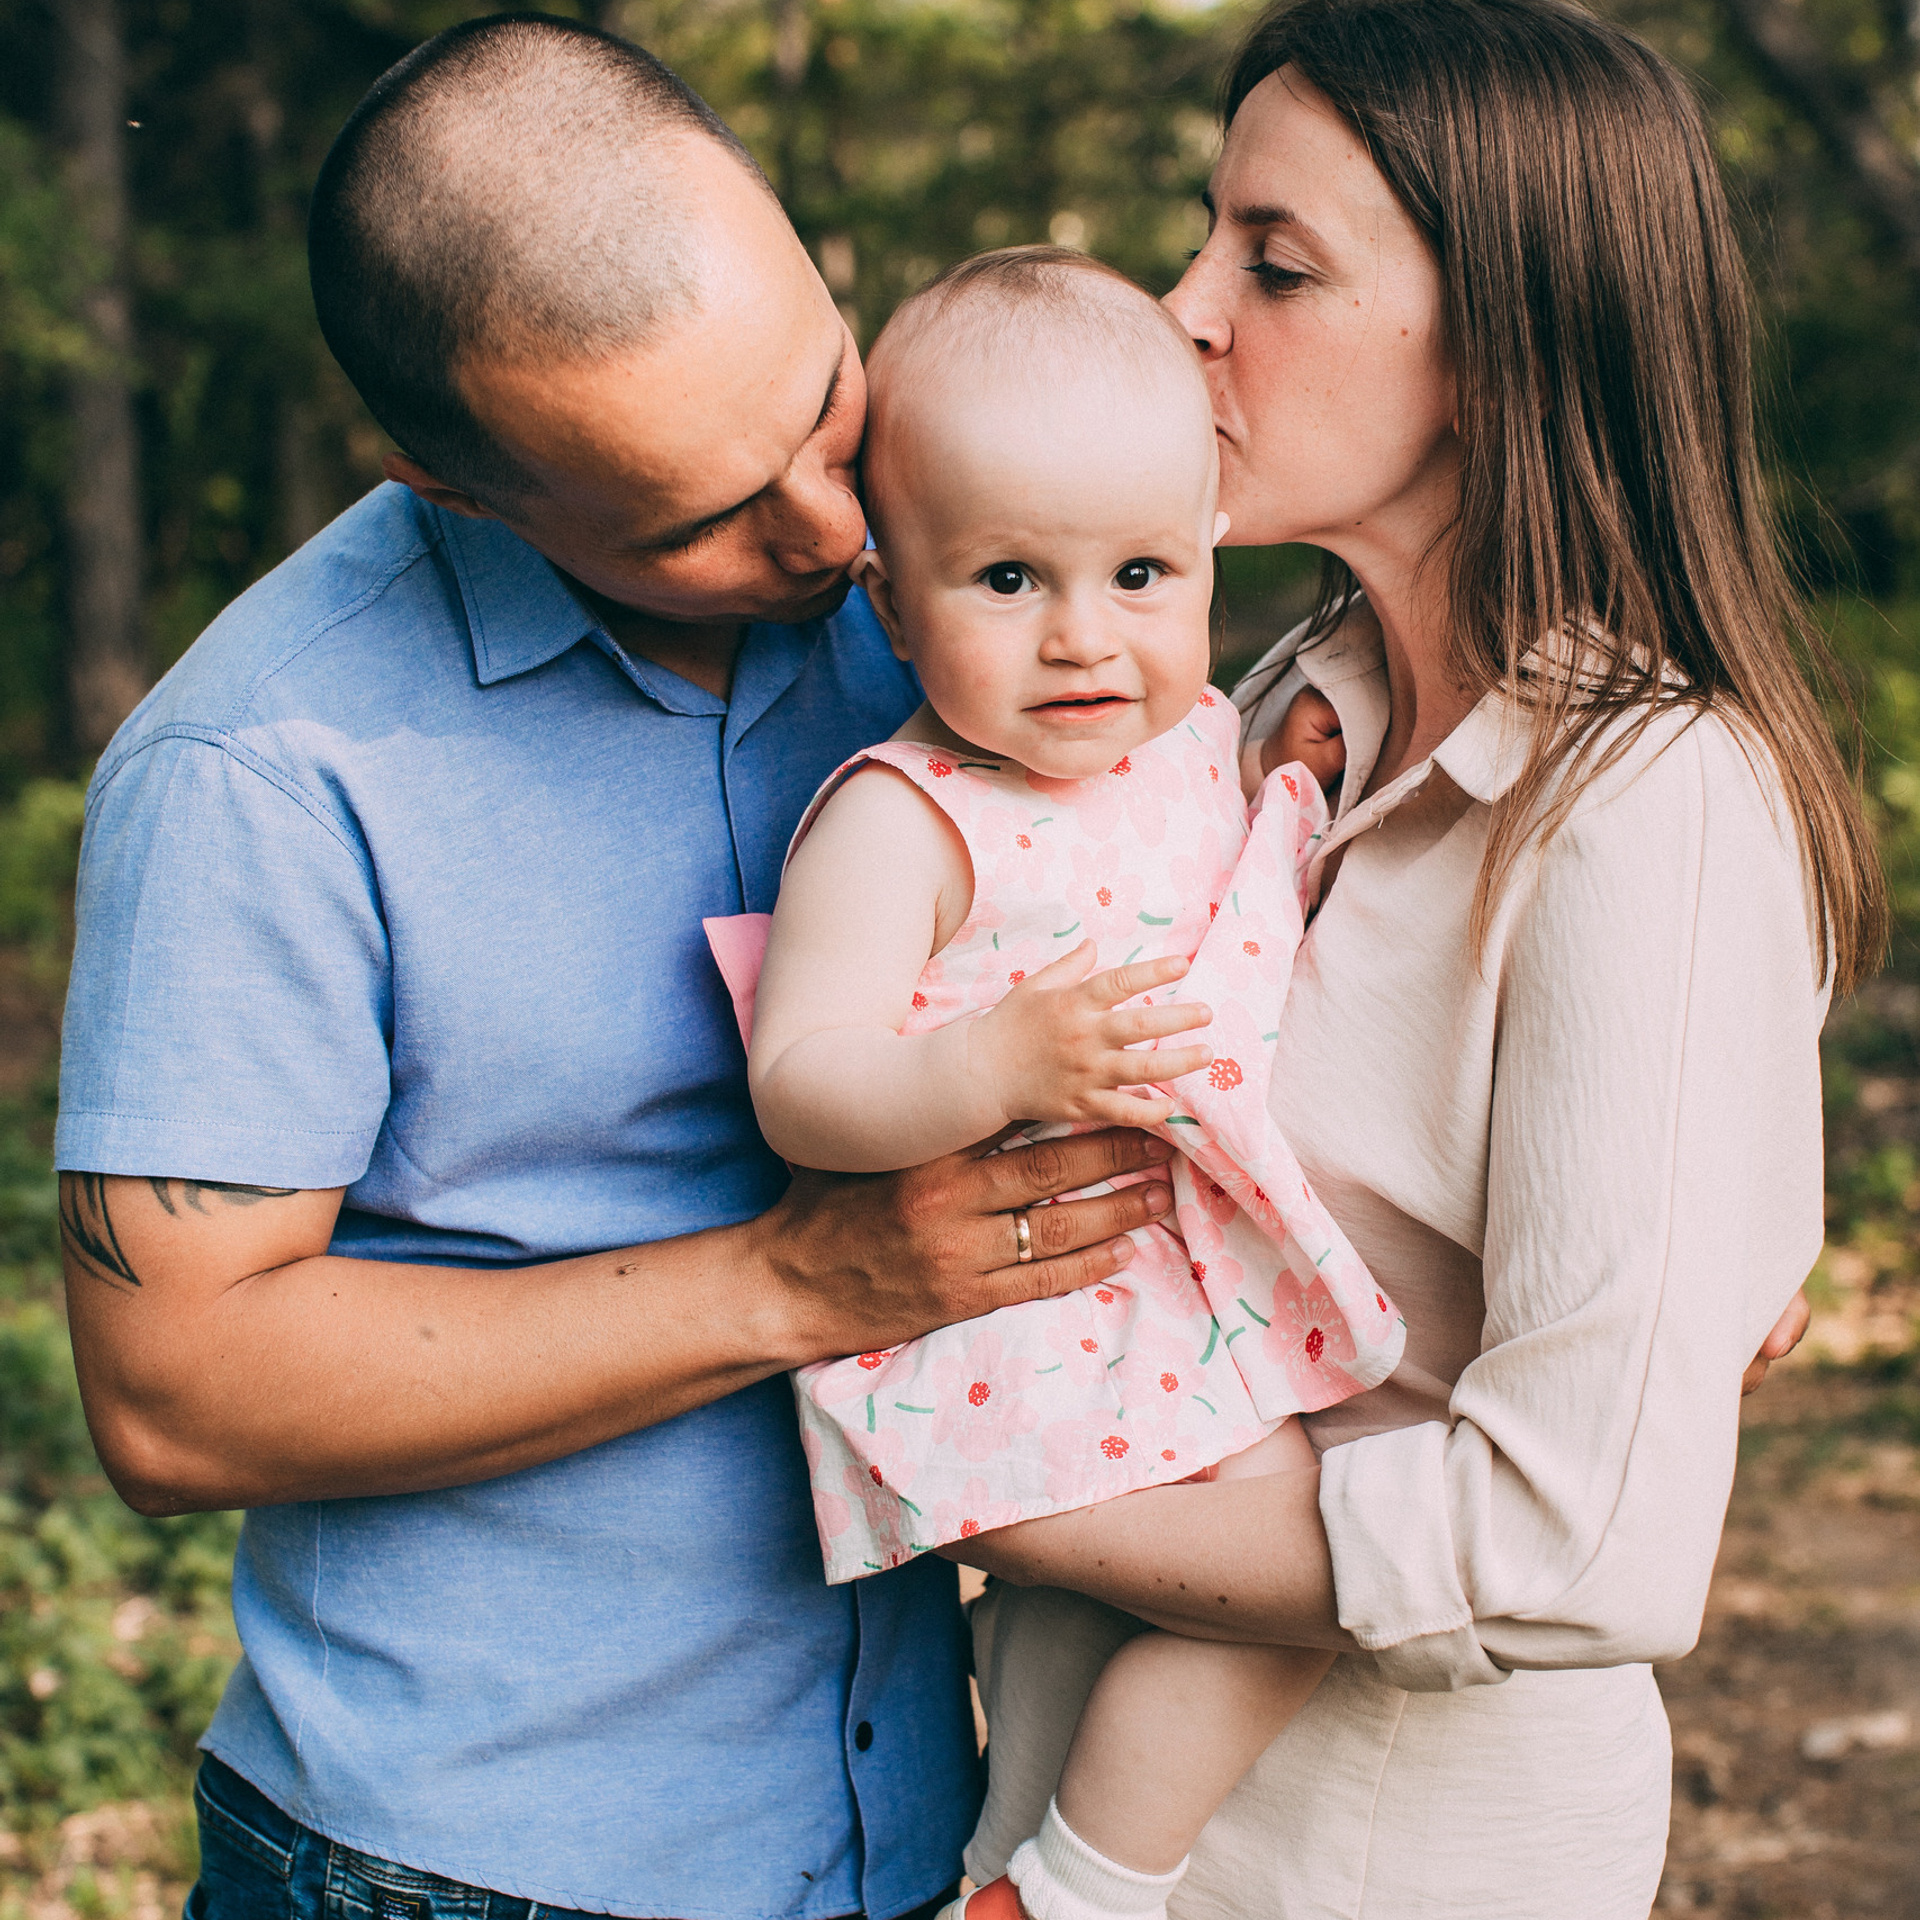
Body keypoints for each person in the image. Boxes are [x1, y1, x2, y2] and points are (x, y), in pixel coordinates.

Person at [51, 18, 1181, 1920]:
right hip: (459, 1866)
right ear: (457, 487)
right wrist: (793, 1282)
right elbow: (175, 1392)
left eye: (822, 404)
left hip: (920, 1830)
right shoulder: (257, 769)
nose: (831, 528)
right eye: (700, 521)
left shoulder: (946, 587)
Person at [949, 0, 1877, 1913]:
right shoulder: (1271, 712)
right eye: (1205, 239)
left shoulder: (1654, 806)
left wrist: (997, 1489)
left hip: (1363, 1861)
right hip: (1039, 1813)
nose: (1184, 311)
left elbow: (1578, 1538)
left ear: (1506, 339)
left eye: (1274, 265)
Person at [736, 247, 1402, 1920]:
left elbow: (1226, 925)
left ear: (1211, 557)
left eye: (1140, 573)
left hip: (1175, 1288)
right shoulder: (904, 819)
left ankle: (1064, 1871)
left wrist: (1281, 792)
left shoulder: (1187, 746)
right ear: (893, 603)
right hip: (1027, 1306)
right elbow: (803, 1082)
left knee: (1284, 1582)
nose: (1084, 638)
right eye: (1009, 578)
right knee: (1312, 1577)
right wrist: (991, 1060)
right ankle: (1080, 1888)